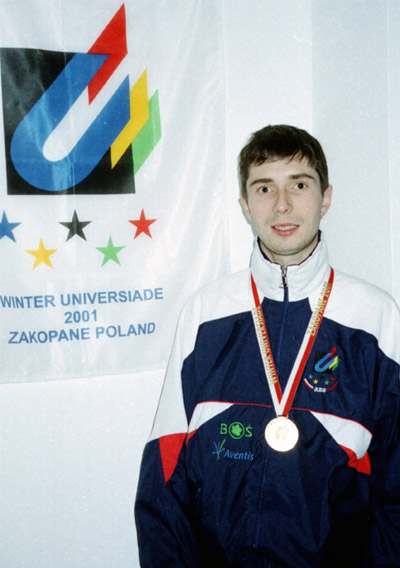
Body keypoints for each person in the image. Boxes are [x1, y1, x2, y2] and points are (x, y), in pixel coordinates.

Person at [135, 124, 400, 567]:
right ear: (245, 204)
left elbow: (395, 488)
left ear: (326, 197)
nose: (282, 204)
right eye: (264, 188)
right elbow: (165, 474)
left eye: (299, 185)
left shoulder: (376, 319)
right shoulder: (205, 313)